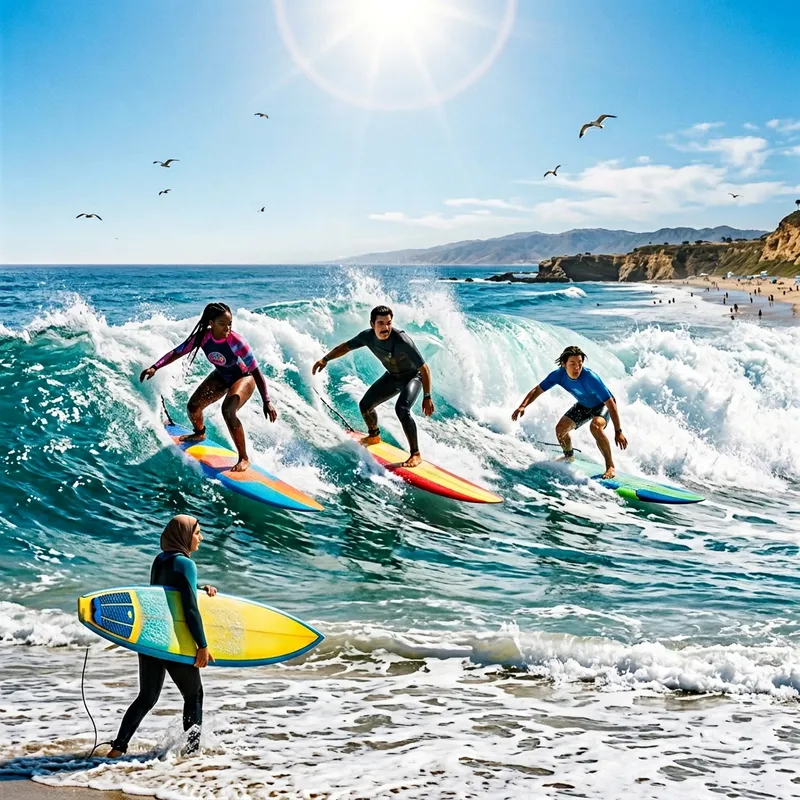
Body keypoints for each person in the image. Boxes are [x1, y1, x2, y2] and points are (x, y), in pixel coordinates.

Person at [108, 515, 216, 757]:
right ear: (185, 535)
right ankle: (191, 754)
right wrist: (202, 645)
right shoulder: (187, 564)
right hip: (171, 640)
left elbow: (169, 593)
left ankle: (117, 748)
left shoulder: (160, 560)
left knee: (147, 696)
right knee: (194, 695)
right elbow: (189, 608)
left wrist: (200, 588)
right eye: (197, 532)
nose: (201, 538)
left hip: (150, 638)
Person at [140, 302, 277, 472]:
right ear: (211, 322)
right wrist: (155, 367)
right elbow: (178, 351)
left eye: (230, 324)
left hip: (244, 377)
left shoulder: (237, 342)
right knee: (193, 407)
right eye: (222, 324)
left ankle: (244, 458)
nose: (227, 328)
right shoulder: (203, 337)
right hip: (222, 376)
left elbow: (256, 372)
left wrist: (267, 400)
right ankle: (199, 433)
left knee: (228, 410)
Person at [312, 305, 434, 468]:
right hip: (393, 376)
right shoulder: (367, 337)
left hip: (413, 377)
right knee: (365, 405)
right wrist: (325, 359)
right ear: (372, 324)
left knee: (402, 409)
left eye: (389, 323)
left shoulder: (402, 341)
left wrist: (427, 396)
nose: (386, 327)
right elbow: (345, 347)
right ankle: (374, 435)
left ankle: (415, 454)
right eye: (381, 323)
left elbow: (424, 369)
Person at [511, 345, 628, 479]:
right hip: (583, 405)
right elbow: (538, 390)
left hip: (603, 405)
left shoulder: (591, 378)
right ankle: (569, 456)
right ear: (563, 364)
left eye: (580, 363)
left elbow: (611, 404)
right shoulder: (558, 375)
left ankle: (610, 466)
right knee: (560, 429)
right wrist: (523, 406)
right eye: (572, 363)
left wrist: (618, 431)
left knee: (595, 427)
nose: (577, 367)